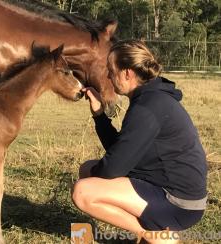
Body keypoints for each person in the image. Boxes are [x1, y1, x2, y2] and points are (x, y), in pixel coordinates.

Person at [72, 40, 207, 244]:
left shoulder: (147, 107)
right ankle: (150, 229)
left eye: (111, 70)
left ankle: (156, 236)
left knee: (83, 191)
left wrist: (97, 177)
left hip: (179, 203)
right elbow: (121, 151)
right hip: (167, 188)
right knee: (87, 170)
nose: (108, 76)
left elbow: (112, 169)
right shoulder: (151, 98)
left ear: (127, 73)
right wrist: (100, 115)